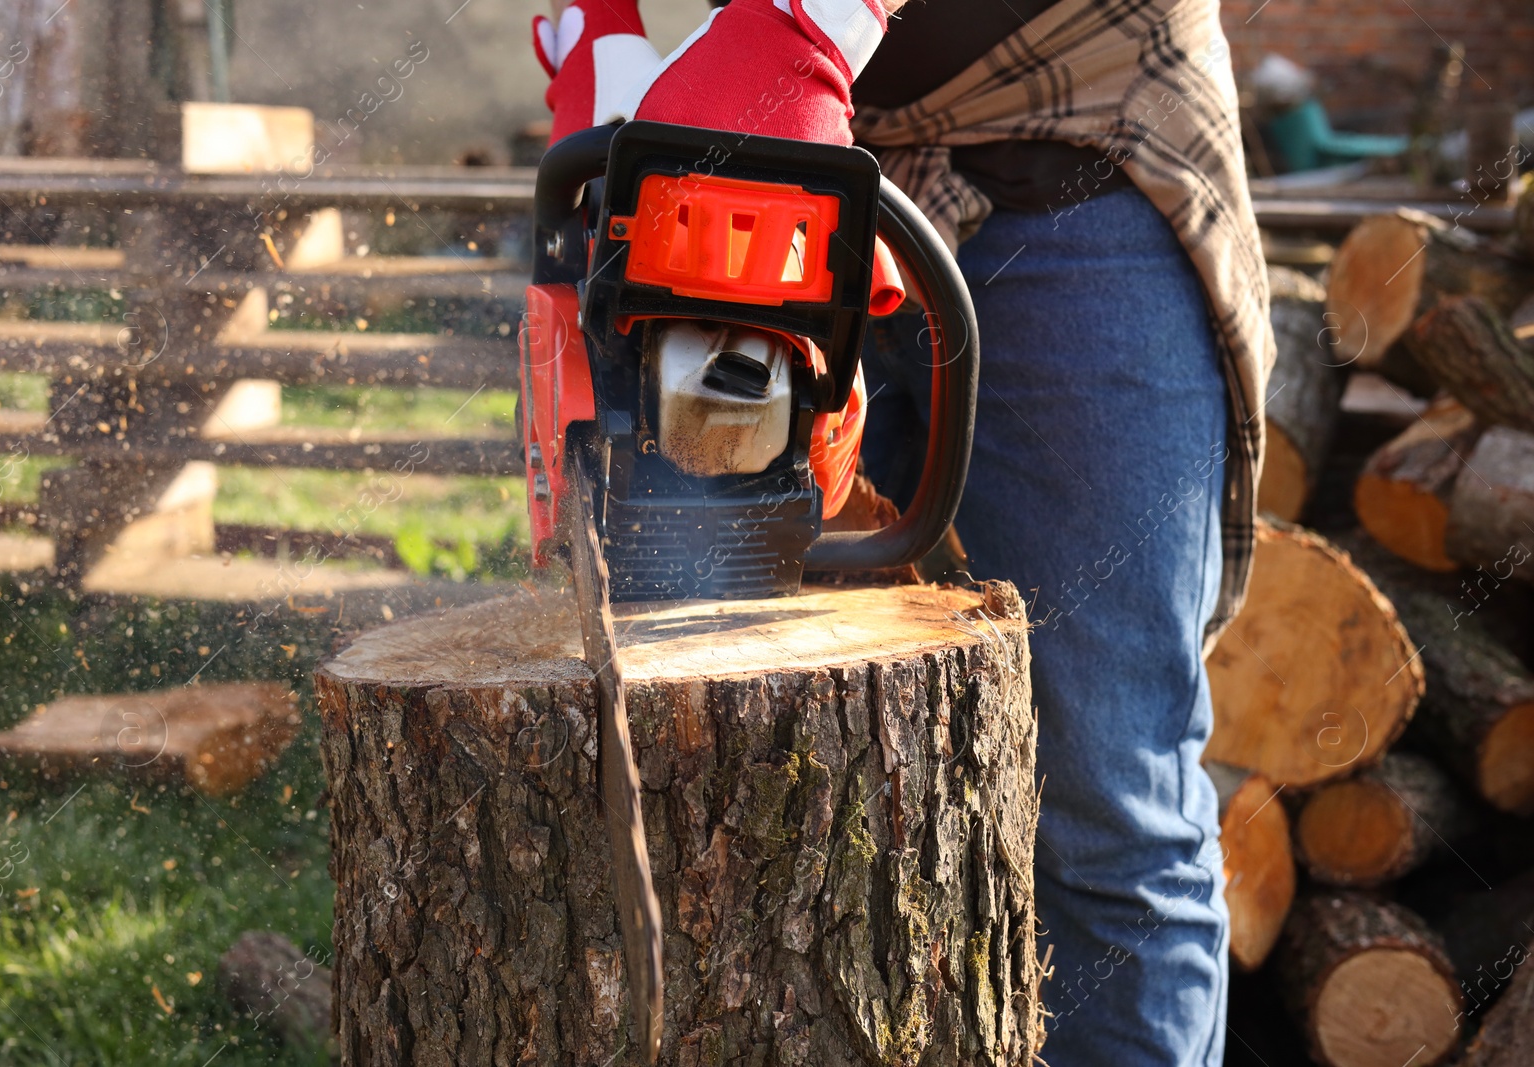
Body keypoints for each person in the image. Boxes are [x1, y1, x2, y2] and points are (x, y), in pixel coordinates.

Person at [531, 1, 1273, 1063]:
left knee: (1109, 794)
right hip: (779, 169)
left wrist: (798, 23)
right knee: (773, 772)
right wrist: (605, 39)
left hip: (1072, 133)